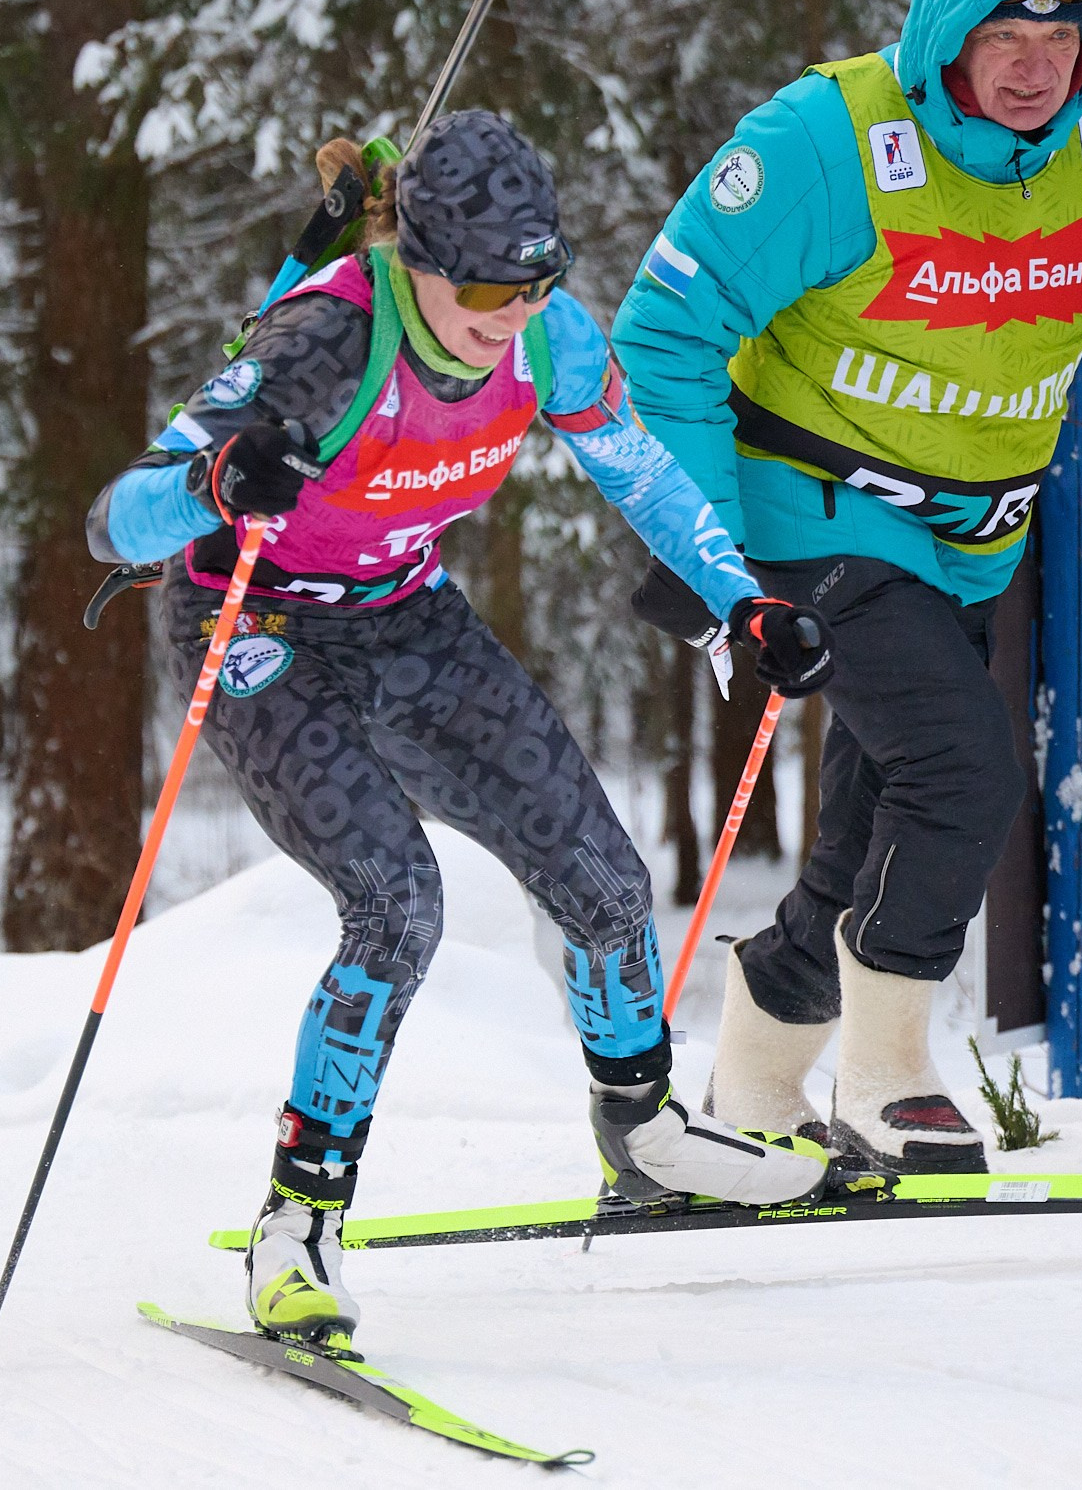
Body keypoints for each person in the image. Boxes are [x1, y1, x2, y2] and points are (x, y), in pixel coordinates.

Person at [85, 111, 837, 1345]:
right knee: (397, 904)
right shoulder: (324, 336)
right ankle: (298, 1227)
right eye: (487, 285)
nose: (510, 310)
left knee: (602, 879)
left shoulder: (544, 336)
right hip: (258, 626)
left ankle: (643, 1134)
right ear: (418, 260)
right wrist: (218, 484)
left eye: (536, 280)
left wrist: (743, 602)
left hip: (404, 615)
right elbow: (114, 523)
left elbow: (637, 467)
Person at [613, 0, 1082, 1174]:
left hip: (966, 543)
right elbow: (667, 329)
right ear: (945, 35)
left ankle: (753, 1086)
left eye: (1060, 42)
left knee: (877, 830)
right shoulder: (830, 141)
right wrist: (701, 559)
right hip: (804, 515)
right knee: (969, 767)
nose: (1036, 70)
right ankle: (888, 1076)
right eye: (1003, 39)